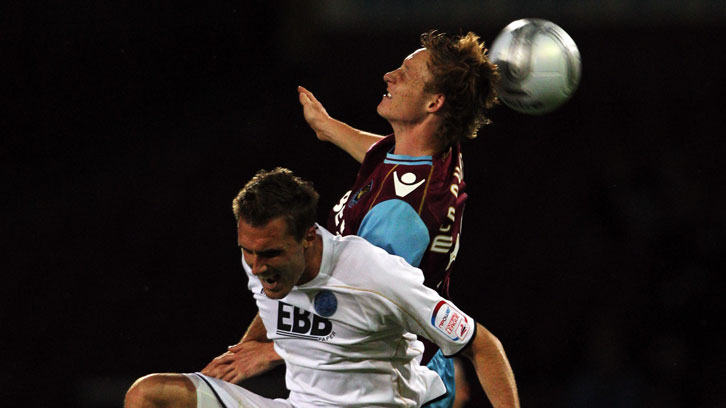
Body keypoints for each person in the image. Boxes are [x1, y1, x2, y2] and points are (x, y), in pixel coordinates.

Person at [202, 29, 501, 406]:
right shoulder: (437, 150)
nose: (389, 75)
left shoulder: (397, 220)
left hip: (385, 381)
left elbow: (355, 309)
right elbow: (381, 155)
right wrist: (329, 128)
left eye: (405, 73)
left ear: (434, 103)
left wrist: (274, 349)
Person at [125, 167, 519, 408]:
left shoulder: (375, 275)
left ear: (309, 238)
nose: (258, 267)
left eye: (270, 254)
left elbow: (484, 346)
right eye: (247, 252)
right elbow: (276, 302)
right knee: (149, 396)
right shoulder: (262, 259)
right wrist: (258, 346)